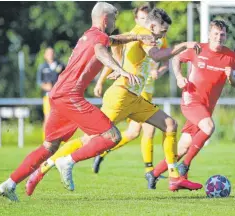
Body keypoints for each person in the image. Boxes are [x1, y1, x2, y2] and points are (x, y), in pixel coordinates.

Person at [0, 2, 155, 202]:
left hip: (58, 95)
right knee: (112, 136)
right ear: (105, 19)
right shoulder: (99, 39)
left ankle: (9, 184)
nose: (115, 24)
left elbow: (114, 41)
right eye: (113, 20)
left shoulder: (89, 35)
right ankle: (68, 161)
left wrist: (138, 36)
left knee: (49, 147)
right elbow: (101, 51)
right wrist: (121, 70)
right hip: (71, 96)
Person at [54, 8, 203, 192]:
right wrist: (184, 45)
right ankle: (54, 163)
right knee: (90, 138)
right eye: (163, 31)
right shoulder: (144, 33)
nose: (163, 36)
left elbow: (116, 44)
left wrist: (120, 65)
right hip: (121, 95)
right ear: (153, 25)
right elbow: (156, 55)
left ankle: (173, 178)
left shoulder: (138, 33)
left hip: (134, 97)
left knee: (169, 125)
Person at [145, 20, 235, 189]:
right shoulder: (198, 49)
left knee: (182, 147)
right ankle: (185, 166)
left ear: (226, 36)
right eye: (216, 34)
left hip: (206, 107)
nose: (219, 37)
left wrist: (231, 76)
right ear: (209, 34)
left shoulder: (231, 57)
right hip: (191, 100)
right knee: (209, 127)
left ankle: (154, 174)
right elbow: (176, 59)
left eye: (222, 34)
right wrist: (179, 77)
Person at [92, 4, 169, 175]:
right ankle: (150, 171)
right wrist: (100, 82)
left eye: (146, 18)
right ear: (136, 20)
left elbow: (165, 61)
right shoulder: (134, 37)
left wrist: (159, 70)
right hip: (132, 91)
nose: (144, 21)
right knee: (148, 129)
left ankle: (102, 152)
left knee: (134, 133)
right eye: (141, 18)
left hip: (146, 90)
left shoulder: (160, 38)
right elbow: (116, 60)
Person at [36, 47, 64, 138]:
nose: (50, 55)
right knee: (47, 118)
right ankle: (46, 139)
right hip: (48, 96)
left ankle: (58, 139)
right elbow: (39, 82)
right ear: (45, 55)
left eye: (52, 53)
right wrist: (46, 86)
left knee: (60, 119)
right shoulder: (42, 67)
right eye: (48, 53)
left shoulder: (60, 65)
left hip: (59, 96)